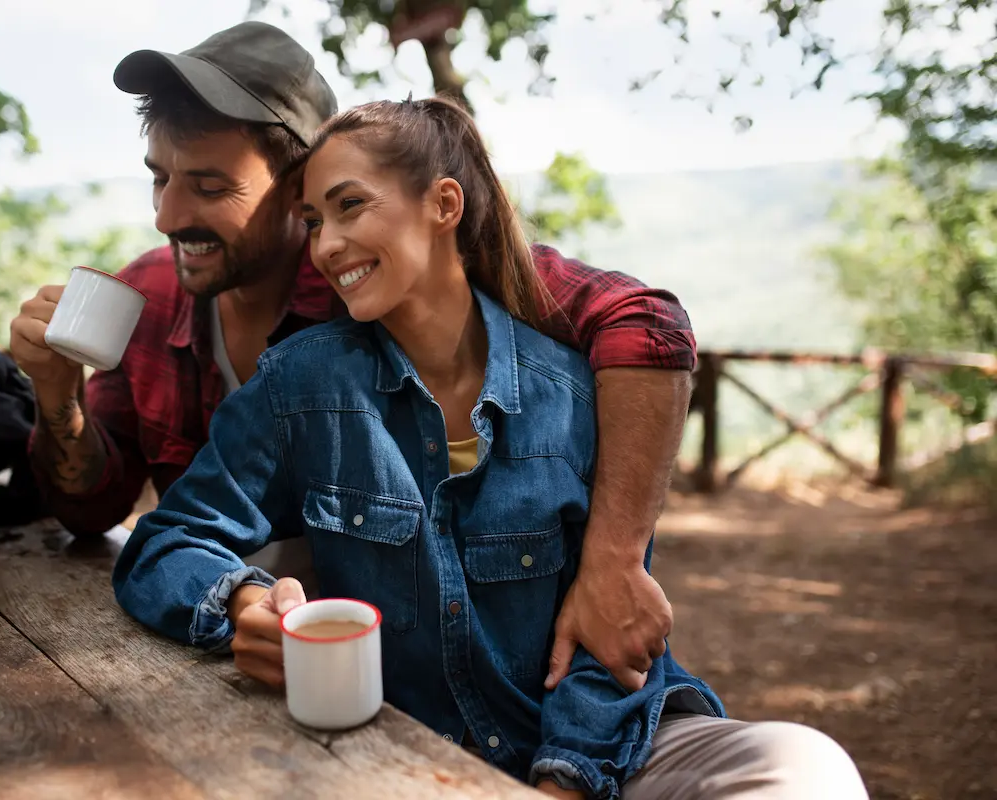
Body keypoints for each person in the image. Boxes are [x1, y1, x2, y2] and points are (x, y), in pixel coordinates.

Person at [111, 96, 869, 800]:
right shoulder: (300, 387)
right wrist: (240, 600)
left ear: (444, 205)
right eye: (313, 221)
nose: (329, 245)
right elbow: (167, 542)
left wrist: (562, 781)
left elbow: (611, 638)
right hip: (397, 754)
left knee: (805, 767)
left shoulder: (577, 395)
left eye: (350, 208)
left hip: (598, 751)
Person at [12, 20, 688, 696]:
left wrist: (614, 559)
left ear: (300, 183)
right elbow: (96, 514)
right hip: (225, 652)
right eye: (159, 179)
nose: (166, 215)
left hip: (404, 672)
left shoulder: (387, 283)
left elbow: (645, 323)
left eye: (210, 187)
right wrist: (58, 396)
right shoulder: (150, 297)